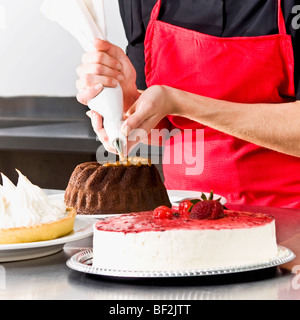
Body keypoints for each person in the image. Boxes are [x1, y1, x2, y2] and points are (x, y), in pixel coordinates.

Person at [76, 0, 300, 209]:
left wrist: (180, 103)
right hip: (185, 213)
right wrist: (129, 106)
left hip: (289, 215)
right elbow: (165, 125)